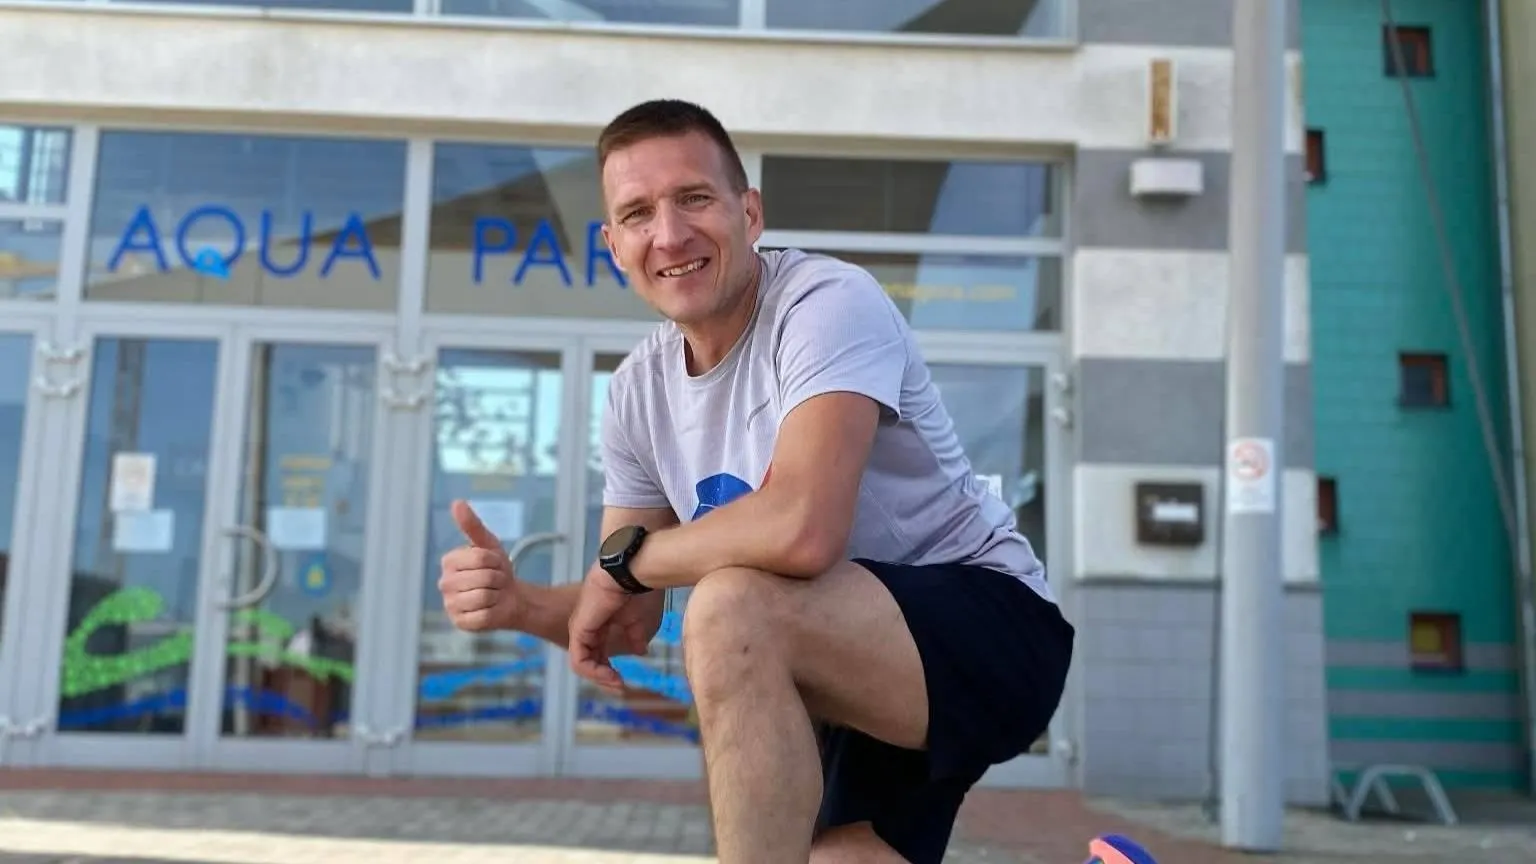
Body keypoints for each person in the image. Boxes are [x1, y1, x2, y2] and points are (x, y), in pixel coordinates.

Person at [438, 98, 1075, 864]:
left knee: (729, 603)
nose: (669, 234)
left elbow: (802, 529)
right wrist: (521, 605)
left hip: (988, 626)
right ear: (613, 246)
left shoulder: (825, 304)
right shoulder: (638, 390)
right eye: (637, 214)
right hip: (832, 659)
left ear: (750, 213)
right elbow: (628, 614)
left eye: (694, 198)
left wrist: (631, 562)